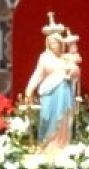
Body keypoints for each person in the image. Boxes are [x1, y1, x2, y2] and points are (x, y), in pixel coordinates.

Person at [25, 13, 76, 151]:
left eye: (57, 43)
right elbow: (37, 74)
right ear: (48, 44)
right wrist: (29, 90)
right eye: (52, 43)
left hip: (64, 92)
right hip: (49, 93)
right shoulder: (44, 58)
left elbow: (76, 73)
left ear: (61, 44)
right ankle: (46, 146)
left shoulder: (66, 58)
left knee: (63, 119)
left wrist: (73, 70)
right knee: (46, 117)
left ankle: (61, 146)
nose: (55, 46)